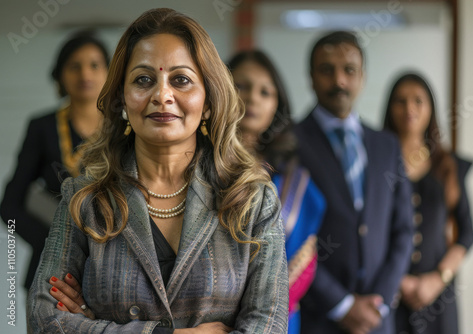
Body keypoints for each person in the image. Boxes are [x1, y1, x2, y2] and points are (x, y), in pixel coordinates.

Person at [27, 8, 288, 334]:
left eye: (181, 80)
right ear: (122, 98)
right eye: (143, 80)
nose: (162, 95)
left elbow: (270, 324)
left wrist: (97, 327)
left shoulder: (252, 200)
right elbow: (44, 320)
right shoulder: (85, 200)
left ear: (207, 100)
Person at [294, 31, 414, 334]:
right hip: (318, 318)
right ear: (310, 77)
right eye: (326, 70)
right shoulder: (290, 143)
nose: (339, 81)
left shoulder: (387, 145)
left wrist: (381, 302)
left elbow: (403, 230)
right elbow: (288, 240)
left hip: (378, 319)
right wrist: (342, 305)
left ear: (362, 76)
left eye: (349, 70)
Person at [0, 30, 109, 289]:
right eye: (74, 66)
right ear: (60, 74)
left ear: (109, 72)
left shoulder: (125, 128)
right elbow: (9, 206)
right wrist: (50, 240)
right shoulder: (42, 127)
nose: (85, 74)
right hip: (50, 270)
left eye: (94, 65)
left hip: (110, 270)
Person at [227, 50, 326, 334]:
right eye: (242, 86)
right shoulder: (196, 165)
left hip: (274, 316)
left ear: (276, 107)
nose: (253, 98)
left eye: (265, 92)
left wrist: (264, 312)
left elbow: (304, 261)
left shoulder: (294, 180)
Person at [383, 73, 473, 334]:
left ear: (431, 108)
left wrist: (438, 278)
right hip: (389, 295)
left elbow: (468, 233)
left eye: (418, 100)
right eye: (400, 101)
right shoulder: (377, 164)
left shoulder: (447, 165)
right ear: (390, 108)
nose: (409, 108)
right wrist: (397, 281)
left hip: (438, 298)